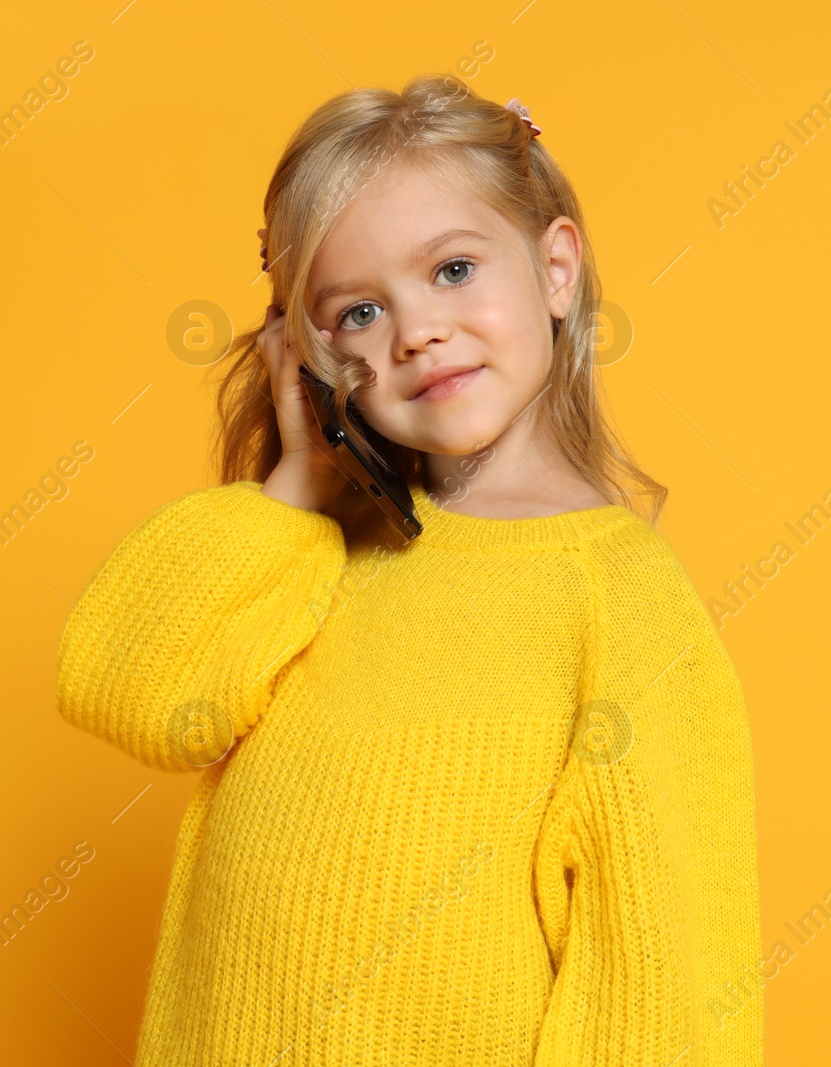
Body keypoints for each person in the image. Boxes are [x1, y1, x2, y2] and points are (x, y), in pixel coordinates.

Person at [54, 73, 762, 1066]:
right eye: (356, 313)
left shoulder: (616, 598)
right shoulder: (316, 549)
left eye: (455, 269)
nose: (415, 330)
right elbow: (129, 687)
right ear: (307, 357)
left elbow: (660, 976)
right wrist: (299, 475)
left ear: (556, 268)